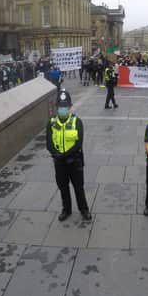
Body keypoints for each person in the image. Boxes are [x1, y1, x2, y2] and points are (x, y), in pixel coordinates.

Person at [46, 91, 92, 222]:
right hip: (59, 163)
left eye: (65, 106)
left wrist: (63, 155)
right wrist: (56, 155)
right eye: (60, 106)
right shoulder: (51, 123)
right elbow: (49, 143)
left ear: (70, 107)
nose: (62, 109)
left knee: (78, 187)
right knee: (63, 187)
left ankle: (84, 210)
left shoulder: (77, 122)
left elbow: (78, 143)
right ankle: (66, 209)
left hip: (74, 162)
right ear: (56, 107)